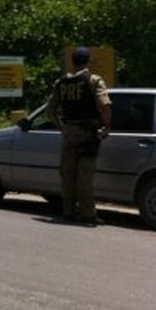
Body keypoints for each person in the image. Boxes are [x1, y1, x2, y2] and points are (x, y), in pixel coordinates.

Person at [47, 46, 112, 226]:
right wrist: (107, 126)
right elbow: (104, 105)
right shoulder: (93, 80)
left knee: (67, 174)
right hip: (88, 133)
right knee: (84, 175)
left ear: (73, 61)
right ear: (88, 61)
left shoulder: (61, 83)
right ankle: (87, 215)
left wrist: (63, 128)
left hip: (69, 133)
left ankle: (67, 212)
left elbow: (50, 112)